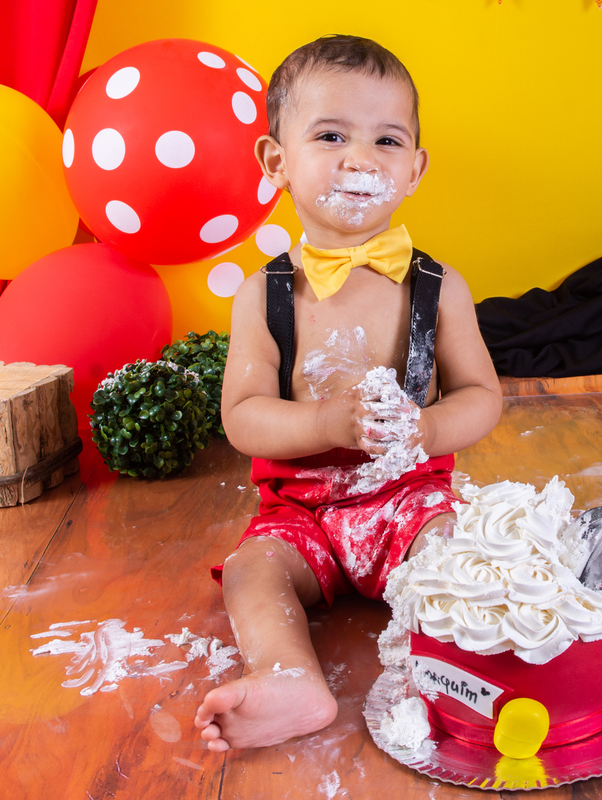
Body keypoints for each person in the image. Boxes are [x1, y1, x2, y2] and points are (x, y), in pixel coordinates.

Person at [194, 35, 503, 752]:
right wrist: (328, 421)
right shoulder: (262, 295)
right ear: (277, 162)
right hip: (302, 511)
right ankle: (289, 677)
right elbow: (243, 419)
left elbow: (482, 395)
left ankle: (464, 673)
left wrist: (425, 431)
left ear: (416, 169)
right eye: (331, 135)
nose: (361, 158)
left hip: (409, 499)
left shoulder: (438, 287)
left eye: (387, 140)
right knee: (249, 573)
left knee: (460, 558)